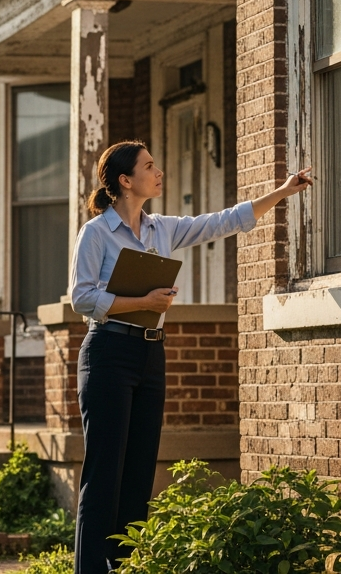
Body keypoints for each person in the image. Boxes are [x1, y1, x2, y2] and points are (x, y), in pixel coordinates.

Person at [69, 140, 313, 573]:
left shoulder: (161, 229)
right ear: (125, 180)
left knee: (139, 474)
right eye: (149, 166)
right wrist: (142, 301)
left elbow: (222, 221)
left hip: (150, 354)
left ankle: (126, 567)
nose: (158, 171)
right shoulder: (96, 232)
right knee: (104, 474)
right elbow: (81, 298)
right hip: (107, 353)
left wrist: (281, 192)